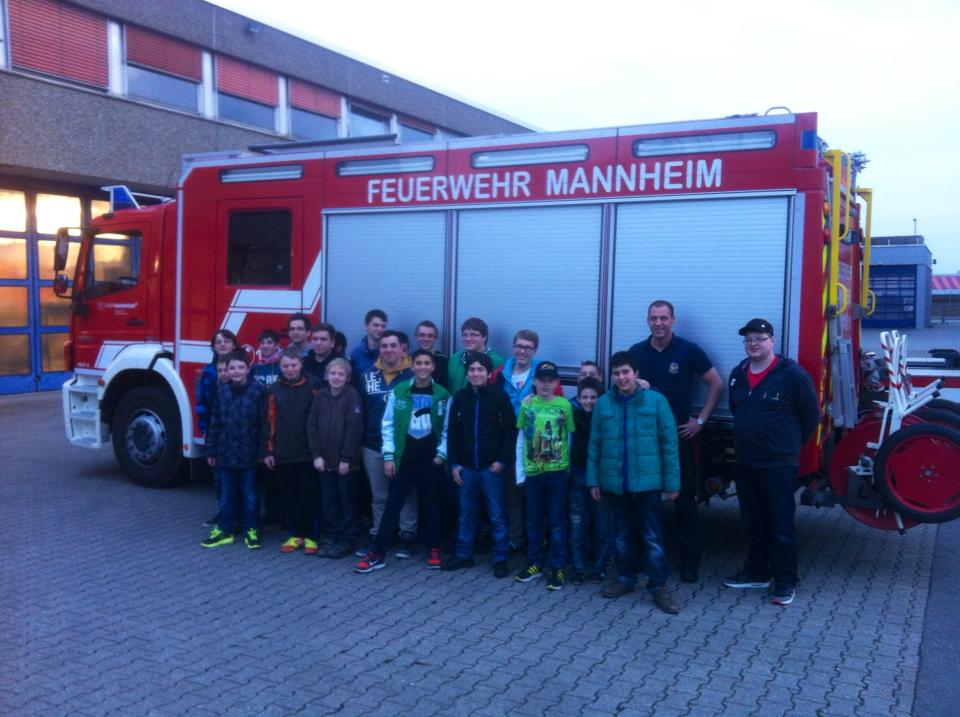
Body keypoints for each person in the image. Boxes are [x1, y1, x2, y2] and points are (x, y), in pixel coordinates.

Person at [724, 318, 819, 606]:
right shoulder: (738, 374)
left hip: (778, 465)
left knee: (780, 525)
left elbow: (810, 417)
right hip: (746, 462)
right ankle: (756, 572)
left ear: (772, 341)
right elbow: (736, 409)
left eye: (759, 338)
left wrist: (785, 446)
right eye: (748, 339)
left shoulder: (792, 376)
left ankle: (786, 581)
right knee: (752, 522)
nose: (753, 343)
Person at [628, 300, 724, 584]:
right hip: (644, 440)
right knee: (642, 500)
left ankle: (689, 563)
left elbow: (716, 384)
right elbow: (621, 388)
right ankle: (641, 560)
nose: (658, 323)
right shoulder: (636, 353)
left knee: (683, 501)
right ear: (647, 320)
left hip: (676, 438)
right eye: (653, 318)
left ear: (673, 320)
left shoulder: (688, 350)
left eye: (663, 318)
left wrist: (700, 421)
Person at [587, 351, 681, 614]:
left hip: (647, 484)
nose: (621, 377)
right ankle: (626, 579)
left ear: (636, 373)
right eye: (616, 373)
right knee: (621, 536)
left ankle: (659, 585)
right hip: (615, 484)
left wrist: (672, 482)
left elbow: (669, 444)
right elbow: (595, 445)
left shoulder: (656, 401)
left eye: (626, 372)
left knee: (652, 537)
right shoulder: (604, 404)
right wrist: (594, 480)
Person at [355, 350, 451, 572]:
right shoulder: (399, 391)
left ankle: (433, 548)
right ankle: (377, 553)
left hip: (431, 461)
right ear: (412, 366)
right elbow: (387, 424)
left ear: (433, 367)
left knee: (433, 506)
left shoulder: (443, 394)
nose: (423, 367)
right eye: (419, 363)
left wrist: (441, 455)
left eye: (427, 363)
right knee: (392, 505)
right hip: (405, 460)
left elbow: (448, 429)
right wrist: (389, 456)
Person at [442, 352, 516, 578]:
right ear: (467, 374)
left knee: (496, 514)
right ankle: (465, 555)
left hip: (490, 468)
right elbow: (452, 433)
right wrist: (454, 463)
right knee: (467, 513)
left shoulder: (498, 396)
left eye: (480, 370)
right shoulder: (460, 398)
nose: (476, 374)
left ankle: (500, 557)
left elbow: (510, 431)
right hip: (465, 468)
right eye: (472, 370)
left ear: (488, 373)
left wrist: (502, 461)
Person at [491, 329, 558, 552]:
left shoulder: (542, 373)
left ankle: (539, 539)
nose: (522, 351)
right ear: (513, 347)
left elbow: (557, 404)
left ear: (535, 350)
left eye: (528, 347)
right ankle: (516, 539)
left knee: (537, 495)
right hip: (507, 442)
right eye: (519, 346)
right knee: (512, 494)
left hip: (537, 444)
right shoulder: (500, 374)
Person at [514, 361, 575, 591]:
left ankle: (557, 566)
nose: (546, 385)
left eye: (551, 381)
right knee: (534, 520)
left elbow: (569, 438)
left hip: (557, 473)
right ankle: (535, 563)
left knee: (558, 522)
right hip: (533, 473)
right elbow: (521, 439)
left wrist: (566, 467)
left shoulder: (564, 406)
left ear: (557, 383)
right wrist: (520, 474)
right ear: (535, 382)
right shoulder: (527, 406)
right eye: (542, 380)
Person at [201, 350, 268, 550]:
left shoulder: (259, 391)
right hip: (225, 454)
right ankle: (224, 529)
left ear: (248, 369)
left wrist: (264, 451)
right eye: (232, 368)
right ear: (226, 371)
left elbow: (265, 424)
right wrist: (211, 451)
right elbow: (215, 422)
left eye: (241, 367)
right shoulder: (221, 391)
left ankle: (252, 529)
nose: (237, 371)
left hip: (250, 455)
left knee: (250, 494)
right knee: (227, 493)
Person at [357, 330, 413, 555]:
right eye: (384, 346)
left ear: (402, 349)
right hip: (372, 444)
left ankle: (407, 534)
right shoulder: (367, 375)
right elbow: (360, 409)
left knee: (406, 492)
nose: (388, 349)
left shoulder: (413, 375)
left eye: (393, 345)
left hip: (405, 445)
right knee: (379, 495)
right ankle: (379, 535)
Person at [264, 349, 321, 555]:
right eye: (285, 366)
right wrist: (269, 451)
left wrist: (318, 451)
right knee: (290, 494)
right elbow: (269, 421)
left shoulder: (314, 385)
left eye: (294, 365)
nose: (290, 369)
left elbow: (319, 419)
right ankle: (296, 534)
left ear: (301, 364)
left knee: (310, 494)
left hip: (307, 451)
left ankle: (312, 536)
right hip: (283, 452)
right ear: (280, 367)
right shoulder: (274, 389)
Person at [308, 357, 364, 559]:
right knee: (329, 502)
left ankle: (346, 539)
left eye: (341, 374)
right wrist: (316, 455)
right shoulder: (321, 396)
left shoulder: (352, 396)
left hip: (345, 464)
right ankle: (331, 536)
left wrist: (346, 459)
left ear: (347, 377)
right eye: (332, 373)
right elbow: (311, 426)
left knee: (346, 502)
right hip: (324, 462)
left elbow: (354, 429)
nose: (336, 377)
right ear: (326, 376)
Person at [568, 377, 613, 585]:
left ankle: (599, 567)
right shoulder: (571, 416)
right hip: (577, 476)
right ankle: (578, 567)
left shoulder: (606, 421)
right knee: (578, 524)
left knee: (603, 525)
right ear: (578, 399)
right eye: (584, 397)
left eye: (593, 397)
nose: (589, 401)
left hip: (600, 479)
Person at [446, 317, 504, 394]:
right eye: (464, 335)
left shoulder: (495, 361)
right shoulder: (455, 358)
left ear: (484, 337)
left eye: (473, 335)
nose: (468, 339)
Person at [350, 309, 388, 377]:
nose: (380, 329)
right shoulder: (356, 354)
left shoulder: (389, 352)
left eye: (383, 326)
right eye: (376, 325)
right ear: (366, 326)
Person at [415, 320, 449, 388]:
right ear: (416, 337)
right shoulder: (409, 359)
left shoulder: (444, 360)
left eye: (430, 336)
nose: (426, 338)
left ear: (435, 338)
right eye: (422, 335)